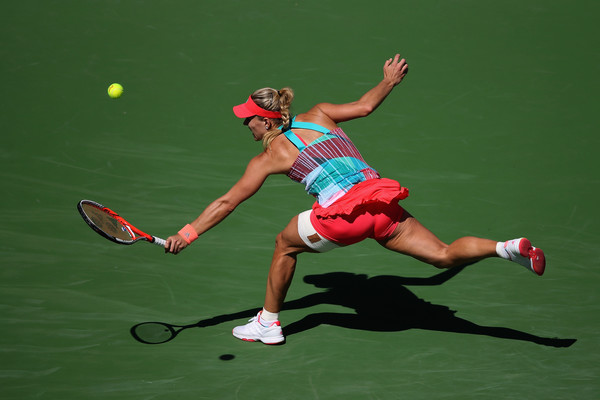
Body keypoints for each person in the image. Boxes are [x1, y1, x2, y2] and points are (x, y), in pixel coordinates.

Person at [165, 54, 545, 345]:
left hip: (344, 218)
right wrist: (388, 81)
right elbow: (365, 106)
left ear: (266, 121)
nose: (244, 123)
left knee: (284, 245)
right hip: (381, 204)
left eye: (248, 118)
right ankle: (505, 248)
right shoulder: (321, 113)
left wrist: (188, 233)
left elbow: (226, 203)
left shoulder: (269, 158)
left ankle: (268, 324)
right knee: (443, 255)